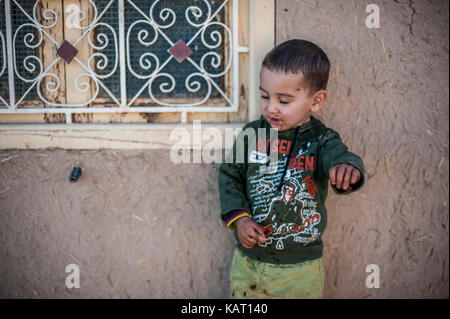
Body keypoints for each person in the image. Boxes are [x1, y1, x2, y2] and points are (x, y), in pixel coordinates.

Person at [219, 39, 365, 299]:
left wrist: (346, 167)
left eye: (284, 100)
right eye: (264, 96)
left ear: (316, 101)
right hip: (249, 263)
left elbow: (339, 156)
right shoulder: (252, 134)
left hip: (301, 269)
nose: (271, 107)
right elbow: (230, 176)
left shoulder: (321, 140)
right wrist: (240, 220)